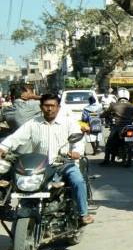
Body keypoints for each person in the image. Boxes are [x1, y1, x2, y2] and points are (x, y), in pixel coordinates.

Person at [0, 93, 93, 224]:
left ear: (58, 107)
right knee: (22, 188)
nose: (49, 109)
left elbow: (78, 140)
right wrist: (3, 147)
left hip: (64, 164)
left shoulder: (68, 122)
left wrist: (76, 151)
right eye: (46, 106)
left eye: (52, 106)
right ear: (41, 107)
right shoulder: (33, 124)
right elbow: (16, 137)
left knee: (77, 180)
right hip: (40, 166)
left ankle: (83, 213)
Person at [102, 90, 133, 165]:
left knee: (109, 143)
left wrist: (102, 115)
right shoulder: (131, 105)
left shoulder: (113, 105)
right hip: (129, 127)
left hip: (117, 127)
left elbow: (105, 113)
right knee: (130, 143)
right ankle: (129, 158)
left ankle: (106, 160)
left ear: (118, 96)